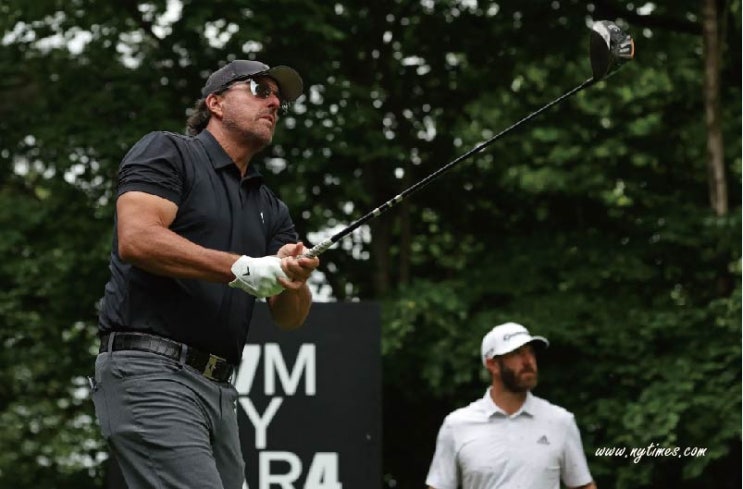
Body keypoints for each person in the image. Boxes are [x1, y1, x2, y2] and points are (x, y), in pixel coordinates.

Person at [90, 59, 320, 489]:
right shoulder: (168, 152)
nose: (274, 103)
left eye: (279, 99)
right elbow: (137, 239)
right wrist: (242, 267)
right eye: (259, 90)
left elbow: (289, 316)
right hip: (150, 370)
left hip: (218, 390)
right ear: (215, 102)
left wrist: (294, 275)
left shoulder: (269, 205)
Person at [425, 322, 597, 489]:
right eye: (516, 353)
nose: (528, 361)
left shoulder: (560, 422)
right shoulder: (456, 426)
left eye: (531, 352)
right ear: (492, 365)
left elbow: (582, 486)